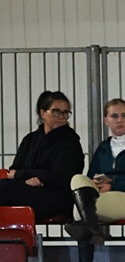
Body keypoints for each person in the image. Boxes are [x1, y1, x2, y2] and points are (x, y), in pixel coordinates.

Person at [66, 98, 125, 244]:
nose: (120, 120)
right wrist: (98, 184)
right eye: (114, 116)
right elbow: (89, 179)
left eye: (124, 115)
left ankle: (86, 258)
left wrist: (113, 184)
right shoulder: (103, 148)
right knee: (77, 179)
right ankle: (92, 229)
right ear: (106, 120)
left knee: (81, 210)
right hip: (104, 197)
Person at [0, 90, 85, 221]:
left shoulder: (70, 141)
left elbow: (59, 177)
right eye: (56, 111)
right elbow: (14, 170)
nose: (62, 116)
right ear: (42, 113)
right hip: (28, 190)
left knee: (3, 188)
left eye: (66, 113)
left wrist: (24, 175)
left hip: (57, 197)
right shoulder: (30, 139)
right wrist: (27, 179)